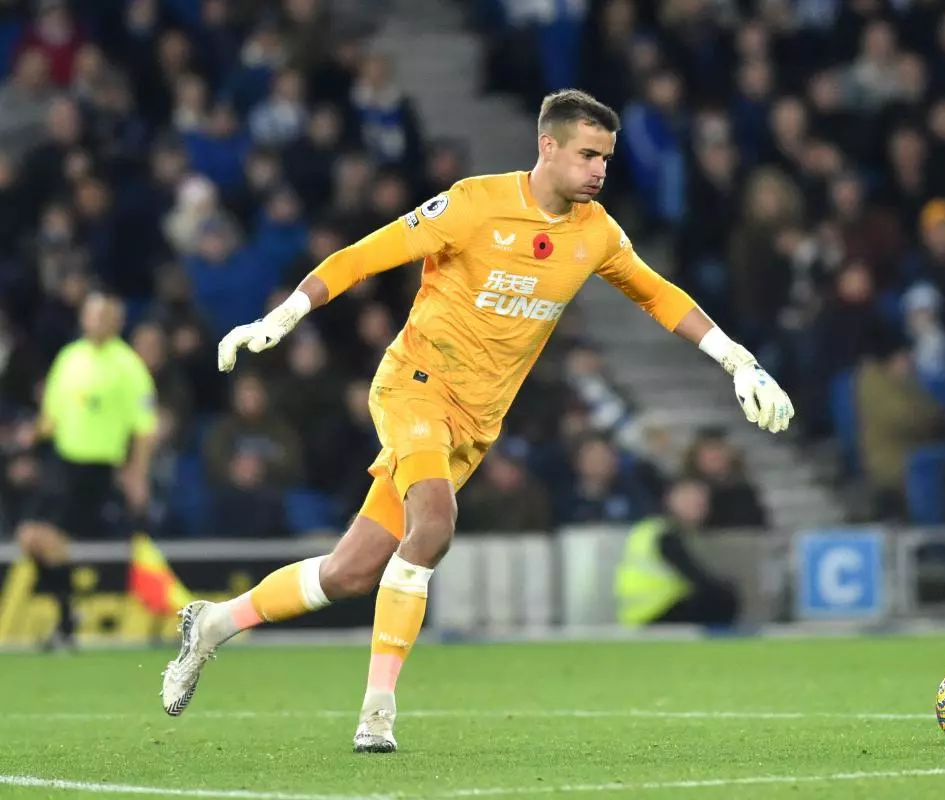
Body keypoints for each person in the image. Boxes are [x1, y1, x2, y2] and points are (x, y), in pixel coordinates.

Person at [159, 89, 793, 752]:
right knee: (434, 525)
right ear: (547, 146)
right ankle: (377, 711)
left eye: (606, 156)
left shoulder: (596, 232)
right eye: (586, 154)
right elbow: (362, 256)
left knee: (349, 573)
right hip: (415, 387)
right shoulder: (473, 204)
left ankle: (213, 624)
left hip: (475, 426)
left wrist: (737, 361)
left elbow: (657, 293)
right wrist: (280, 318)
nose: (599, 169)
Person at [16, 292, 157, 650]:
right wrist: (33, 433)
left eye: (104, 316)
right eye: (92, 315)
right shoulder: (70, 357)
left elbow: (145, 426)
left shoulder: (128, 366)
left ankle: (66, 621)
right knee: (29, 536)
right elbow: (53, 413)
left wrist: (137, 473)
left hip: (95, 467)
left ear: (116, 322)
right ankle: (68, 617)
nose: (96, 321)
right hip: (61, 462)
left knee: (46, 538)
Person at [615, 478, 740, 627]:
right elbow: (696, 576)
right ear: (671, 499)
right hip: (654, 612)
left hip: (637, 613)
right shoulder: (665, 535)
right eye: (690, 501)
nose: (697, 507)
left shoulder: (651, 529)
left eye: (701, 503)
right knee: (721, 596)